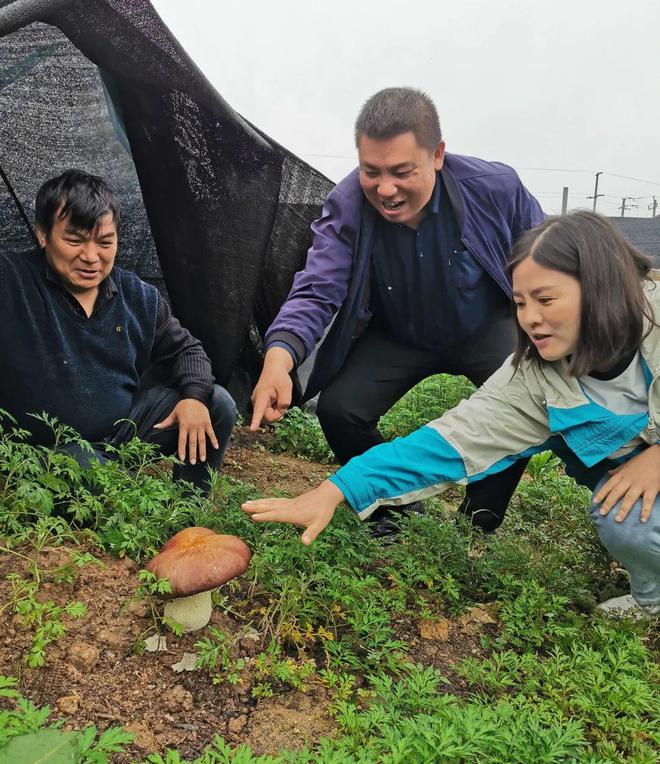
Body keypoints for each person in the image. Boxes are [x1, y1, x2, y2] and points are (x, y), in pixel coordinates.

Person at [243, 211, 660, 616]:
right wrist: (337, 489)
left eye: (546, 299)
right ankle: (652, 598)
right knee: (625, 517)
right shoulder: (533, 380)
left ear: (602, 288)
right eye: (519, 303)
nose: (531, 319)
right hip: (631, 485)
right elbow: (443, 444)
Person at [251, 87, 544, 534]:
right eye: (372, 171)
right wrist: (279, 356)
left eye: (401, 171)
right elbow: (317, 287)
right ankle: (392, 513)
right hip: (399, 333)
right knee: (340, 410)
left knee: (516, 406)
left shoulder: (494, 188)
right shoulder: (348, 204)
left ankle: (477, 523)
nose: (385, 189)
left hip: (485, 325)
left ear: (437, 155)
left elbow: (548, 256)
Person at [0, 169, 236, 495]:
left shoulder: (138, 296)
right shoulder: (11, 279)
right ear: (43, 235)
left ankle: (188, 518)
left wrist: (194, 399)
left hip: (122, 435)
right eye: (74, 240)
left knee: (216, 404)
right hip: (43, 451)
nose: (91, 257)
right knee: (84, 471)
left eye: (104, 242)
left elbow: (187, 350)